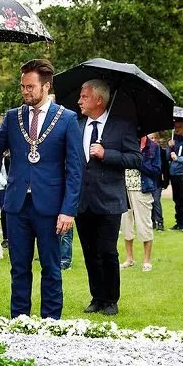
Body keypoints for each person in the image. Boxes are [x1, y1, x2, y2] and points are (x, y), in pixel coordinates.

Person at [0, 59, 84, 320]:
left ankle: (50, 322)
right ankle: (19, 320)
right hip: (16, 205)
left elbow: (76, 170)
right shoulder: (13, 117)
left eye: (30, 87)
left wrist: (68, 210)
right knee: (19, 268)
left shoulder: (67, 119)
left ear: (46, 86)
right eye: (22, 86)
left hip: (51, 206)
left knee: (51, 267)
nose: (25, 91)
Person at [75, 79, 142, 316]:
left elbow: (135, 159)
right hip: (82, 201)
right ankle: (97, 297)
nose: (79, 101)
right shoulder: (77, 125)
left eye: (84, 97)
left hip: (110, 201)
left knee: (107, 250)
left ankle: (111, 299)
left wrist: (107, 154)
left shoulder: (122, 126)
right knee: (89, 251)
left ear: (99, 100)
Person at [120, 135, 161, 272]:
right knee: (126, 224)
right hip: (124, 189)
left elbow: (156, 170)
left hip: (142, 190)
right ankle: (129, 258)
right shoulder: (128, 144)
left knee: (144, 224)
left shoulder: (154, 147)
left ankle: (147, 260)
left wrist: (140, 163)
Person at [167, 118, 183, 232]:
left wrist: (178, 158)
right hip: (174, 174)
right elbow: (167, 158)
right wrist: (170, 147)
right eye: (175, 127)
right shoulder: (173, 140)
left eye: (179, 127)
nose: (176, 129)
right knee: (176, 199)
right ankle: (179, 222)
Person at [148, 132, 169, 231]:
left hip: (157, 182)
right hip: (148, 181)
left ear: (157, 139)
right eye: (150, 138)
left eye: (153, 138)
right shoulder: (146, 151)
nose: (152, 140)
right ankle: (152, 222)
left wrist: (166, 180)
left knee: (156, 201)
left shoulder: (162, 151)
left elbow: (165, 167)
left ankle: (160, 222)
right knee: (149, 202)